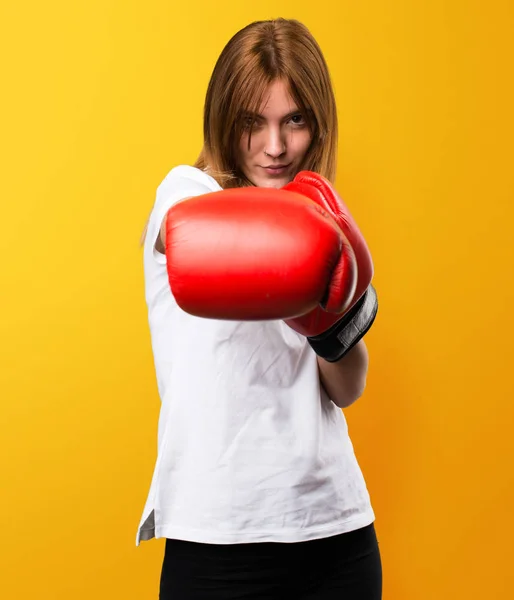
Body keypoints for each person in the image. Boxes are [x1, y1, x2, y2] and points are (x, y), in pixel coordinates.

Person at [137, 17, 382, 600]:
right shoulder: (185, 192)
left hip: (333, 528)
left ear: (316, 123)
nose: (274, 147)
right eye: (253, 122)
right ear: (224, 120)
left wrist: (329, 319)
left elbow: (347, 388)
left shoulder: (320, 223)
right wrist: (316, 242)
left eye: (293, 120)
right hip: (217, 532)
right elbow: (184, 237)